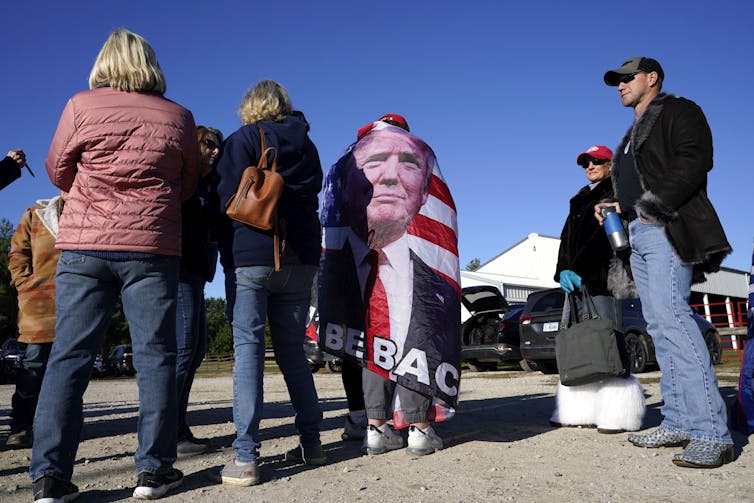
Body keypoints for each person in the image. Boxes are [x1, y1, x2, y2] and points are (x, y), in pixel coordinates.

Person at [30, 28, 199, 502]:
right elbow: (187, 182)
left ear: (104, 62)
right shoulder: (179, 116)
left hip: (85, 245)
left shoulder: (80, 106)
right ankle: (154, 471)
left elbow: (57, 169)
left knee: (70, 357)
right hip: (150, 247)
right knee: (156, 357)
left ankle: (50, 477)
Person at [596, 56, 733, 468]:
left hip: (665, 226)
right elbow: (643, 180)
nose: (619, 85)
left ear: (651, 78)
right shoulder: (629, 134)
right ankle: (678, 420)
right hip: (637, 232)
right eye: (616, 81)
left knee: (673, 318)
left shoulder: (679, 110)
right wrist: (619, 205)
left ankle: (712, 431)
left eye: (626, 78)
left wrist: (653, 207)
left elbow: (695, 161)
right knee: (658, 326)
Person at [318, 119, 461, 457]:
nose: (389, 175)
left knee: (378, 338)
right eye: (374, 162)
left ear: (425, 189)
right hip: (359, 260)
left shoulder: (432, 274)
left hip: (392, 263)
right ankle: (417, 428)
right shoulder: (342, 264)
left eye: (408, 162)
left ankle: (378, 426)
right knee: (387, 335)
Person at [215, 80, 325, 487]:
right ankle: (312, 443)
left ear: (250, 106)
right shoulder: (309, 146)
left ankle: (245, 457)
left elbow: (226, 198)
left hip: (254, 257)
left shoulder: (244, 138)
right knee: (293, 354)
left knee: (248, 354)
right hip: (301, 259)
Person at [549, 145, 645, 433]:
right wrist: (562, 270)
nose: (590, 166)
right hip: (576, 281)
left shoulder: (618, 193)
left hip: (605, 279)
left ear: (610, 164)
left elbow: (603, 240)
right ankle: (580, 410)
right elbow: (567, 239)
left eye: (597, 161)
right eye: (585, 163)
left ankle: (619, 414)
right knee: (582, 343)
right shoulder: (578, 200)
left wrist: (580, 269)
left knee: (609, 341)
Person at [336, 113, 413, 443]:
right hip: (376, 262)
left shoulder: (348, 164)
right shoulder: (402, 160)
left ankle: (367, 418)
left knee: (361, 341)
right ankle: (387, 417)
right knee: (384, 339)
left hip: (357, 262)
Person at [174, 126, 223, 456]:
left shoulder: (211, 185)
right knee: (183, 350)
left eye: (218, 146)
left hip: (198, 273)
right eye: (209, 144)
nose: (215, 150)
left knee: (195, 351)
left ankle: (178, 426)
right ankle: (169, 433)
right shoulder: (183, 181)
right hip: (178, 270)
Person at [5, 193, 65, 450]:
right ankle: (21, 426)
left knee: (70, 368)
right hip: (39, 305)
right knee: (34, 364)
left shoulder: (91, 213)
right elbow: (17, 251)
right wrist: (24, 284)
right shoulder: (35, 214)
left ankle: (60, 426)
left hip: (78, 303)